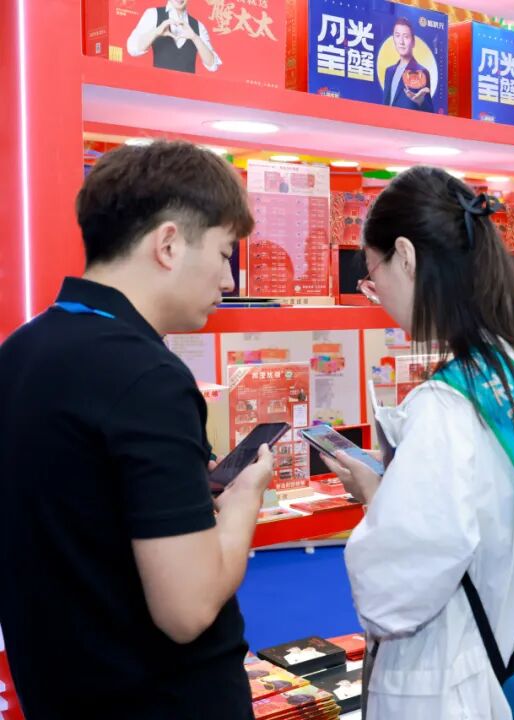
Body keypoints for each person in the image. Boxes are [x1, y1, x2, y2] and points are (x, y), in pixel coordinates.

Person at [0, 140, 272, 717]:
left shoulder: (19, 351)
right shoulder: (147, 376)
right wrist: (245, 499)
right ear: (168, 244)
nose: (228, 280)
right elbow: (187, 609)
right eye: (224, 253)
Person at [322, 166, 514, 718]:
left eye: (372, 275)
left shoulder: (447, 407)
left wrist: (377, 495)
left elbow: (393, 593)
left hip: (456, 677)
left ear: (405, 256)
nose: (377, 295)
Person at [126, 0, 222, 74]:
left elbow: (213, 65)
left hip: (188, 91)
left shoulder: (198, 26)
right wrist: (156, 32)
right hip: (158, 89)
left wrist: (195, 38)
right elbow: (133, 48)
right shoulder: (153, 14)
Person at [382, 18, 434, 112]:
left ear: (413, 42)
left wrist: (421, 101)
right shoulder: (389, 71)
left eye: (406, 37)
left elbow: (430, 111)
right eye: (397, 36)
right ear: (393, 39)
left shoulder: (421, 72)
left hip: (407, 120)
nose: (401, 42)